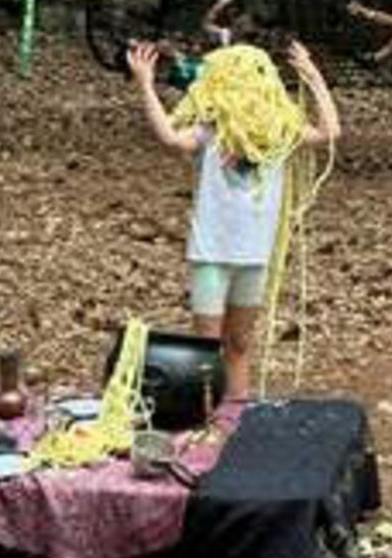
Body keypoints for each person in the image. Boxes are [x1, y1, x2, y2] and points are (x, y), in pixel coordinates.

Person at [126, 41, 341, 400]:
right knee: (206, 349)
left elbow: (329, 132)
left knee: (240, 342)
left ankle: (235, 417)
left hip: (254, 254)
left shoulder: (279, 131)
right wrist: (145, 84)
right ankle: (204, 424)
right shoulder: (210, 130)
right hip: (212, 252)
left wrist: (313, 76)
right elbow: (170, 136)